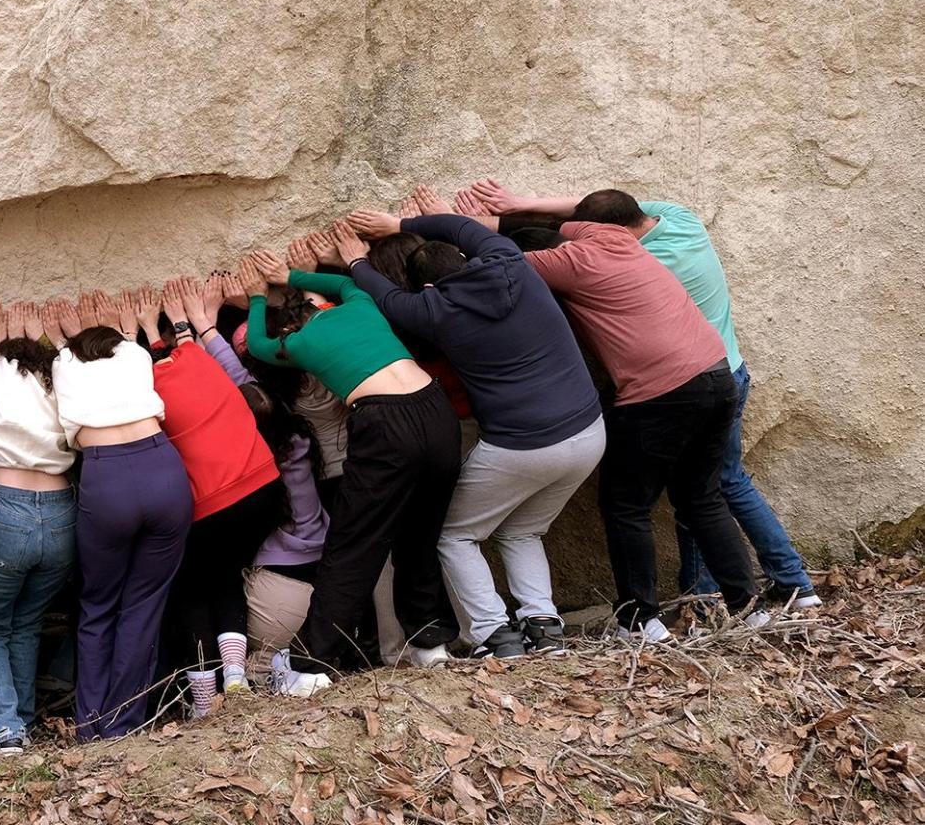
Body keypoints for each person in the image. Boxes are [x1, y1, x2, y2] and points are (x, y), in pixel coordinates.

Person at [467, 180, 818, 610]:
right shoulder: (680, 220)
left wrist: (475, 226)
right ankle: (738, 595)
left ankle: (733, 591)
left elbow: (525, 264)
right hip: (724, 369)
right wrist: (523, 203)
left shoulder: (615, 259)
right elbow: (592, 207)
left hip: (668, 387)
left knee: (657, 499)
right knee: (703, 493)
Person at [343, 202, 605, 658]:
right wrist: (401, 223)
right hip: (589, 431)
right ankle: (543, 627)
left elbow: (385, 298)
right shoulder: (512, 263)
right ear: (465, 258)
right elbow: (457, 224)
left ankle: (493, 633)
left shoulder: (434, 311)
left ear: (427, 286)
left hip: (522, 447)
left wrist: (353, 262)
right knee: (522, 531)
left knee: (454, 534)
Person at [499, 213, 763, 641]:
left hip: (661, 392)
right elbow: (587, 212)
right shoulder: (614, 239)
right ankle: (748, 607)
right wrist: (509, 210)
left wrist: (454, 224)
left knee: (627, 506)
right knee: (702, 497)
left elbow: (500, 264)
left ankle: (640, 621)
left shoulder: (568, 263)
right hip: (717, 375)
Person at [242, 246, 461, 695]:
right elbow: (345, 282)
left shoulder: (301, 343)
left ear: (294, 324)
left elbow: (260, 347)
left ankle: (311, 664)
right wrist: (295, 273)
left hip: (384, 421)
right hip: (436, 411)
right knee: (420, 533)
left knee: (353, 543)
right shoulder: (360, 303)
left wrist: (256, 296)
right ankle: (430, 642)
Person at [52, 293, 192, 740]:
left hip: (107, 474)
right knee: (144, 604)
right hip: (162, 467)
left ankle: (91, 724)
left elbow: (72, 353)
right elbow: (124, 345)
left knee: (98, 605)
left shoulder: (63, 363)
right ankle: (125, 721)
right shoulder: (133, 353)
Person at [170, 277, 329, 665]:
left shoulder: (252, 465)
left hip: (272, 599)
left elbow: (241, 391)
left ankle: (231, 676)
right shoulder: (295, 439)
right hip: (321, 584)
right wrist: (203, 327)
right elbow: (250, 390)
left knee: (202, 589)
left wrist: (187, 331)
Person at [142, 284, 283, 716]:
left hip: (213, 502)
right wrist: (161, 324)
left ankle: (205, 701)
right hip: (263, 488)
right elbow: (185, 346)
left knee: (191, 591)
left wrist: (143, 327)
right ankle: (236, 678)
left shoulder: (148, 389)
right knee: (226, 579)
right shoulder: (206, 367)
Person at [0, 301, 77, 755]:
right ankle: (23, 718)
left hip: (8, 506)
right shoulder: (58, 379)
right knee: (27, 621)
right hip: (61, 506)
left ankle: (7, 730)